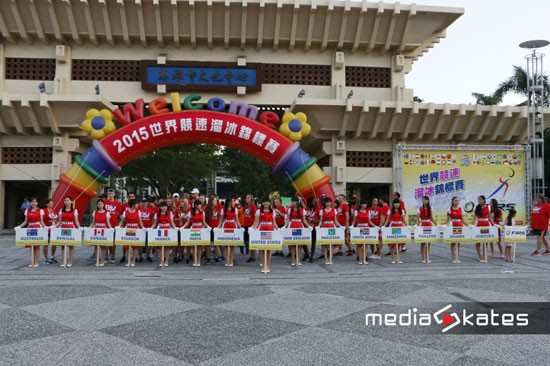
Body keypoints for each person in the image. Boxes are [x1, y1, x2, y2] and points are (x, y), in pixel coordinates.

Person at [15, 197, 45, 267]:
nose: (33, 203)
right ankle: (32, 261)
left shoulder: (40, 210)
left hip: (37, 228)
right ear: (30, 203)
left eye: (35, 202)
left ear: (37, 203)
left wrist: (45, 227)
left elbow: (41, 221)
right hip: (30, 228)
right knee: (31, 246)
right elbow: (25, 221)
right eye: (32, 202)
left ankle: (36, 262)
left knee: (37, 246)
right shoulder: (27, 210)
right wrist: (19, 226)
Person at [253, 200, 278, 273]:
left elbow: (274, 222)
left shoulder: (272, 211)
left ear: (270, 203)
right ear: (262, 203)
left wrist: (278, 230)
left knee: (269, 249)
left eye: (267, 202)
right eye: (264, 202)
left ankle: (268, 266)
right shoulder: (258, 211)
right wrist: (252, 229)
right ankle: (263, 265)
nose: (266, 203)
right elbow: (256, 222)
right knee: (262, 249)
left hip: (270, 229)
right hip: (262, 229)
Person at [185, 200, 211, 266]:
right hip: (193, 229)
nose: (200, 206)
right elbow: (188, 222)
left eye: (200, 205)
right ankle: (194, 261)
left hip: (200, 229)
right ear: (196, 205)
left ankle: (198, 261)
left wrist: (208, 227)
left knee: (200, 246)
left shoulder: (202, 212)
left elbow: (204, 222)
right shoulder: (190, 212)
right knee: (193, 246)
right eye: (199, 205)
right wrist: (182, 227)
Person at [285, 199, 310, 266]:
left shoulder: (302, 210)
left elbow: (304, 220)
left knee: (300, 244)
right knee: (293, 244)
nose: (294, 203)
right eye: (293, 201)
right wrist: (285, 226)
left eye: (295, 201)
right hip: (292, 226)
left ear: (298, 202)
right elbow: (287, 219)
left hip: (299, 226)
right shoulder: (290, 210)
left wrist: (309, 227)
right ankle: (293, 259)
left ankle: (298, 260)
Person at [57, 196, 80, 268]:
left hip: (71, 228)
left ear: (71, 201)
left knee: (71, 245)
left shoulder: (74, 210)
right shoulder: (61, 210)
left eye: (68, 200)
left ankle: (70, 261)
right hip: (63, 228)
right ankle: (64, 261)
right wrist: (54, 227)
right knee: (63, 245)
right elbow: (59, 221)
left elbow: (76, 221)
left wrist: (79, 228)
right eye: (65, 200)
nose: (66, 202)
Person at [317, 197, 342, 265]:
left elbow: (335, 220)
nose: (328, 203)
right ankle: (326, 259)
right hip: (324, 227)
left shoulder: (334, 210)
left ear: (331, 203)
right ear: (324, 203)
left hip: (331, 227)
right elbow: (321, 221)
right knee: (325, 244)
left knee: (331, 244)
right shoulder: (322, 211)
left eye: (329, 202)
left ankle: (330, 258)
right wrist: (318, 226)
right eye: (326, 202)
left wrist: (340, 226)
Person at [119, 199, 143, 267]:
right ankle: (129, 260)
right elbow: (122, 221)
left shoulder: (138, 211)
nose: (137, 205)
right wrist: (119, 227)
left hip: (136, 229)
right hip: (128, 229)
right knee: (128, 246)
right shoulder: (126, 211)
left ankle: (133, 261)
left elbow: (140, 221)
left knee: (135, 246)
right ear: (133, 204)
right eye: (136, 204)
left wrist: (143, 228)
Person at [89, 199, 112, 267]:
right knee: (96, 246)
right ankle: (97, 260)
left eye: (101, 204)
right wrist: (89, 228)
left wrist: (111, 229)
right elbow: (93, 223)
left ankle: (102, 260)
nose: (100, 205)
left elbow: (108, 222)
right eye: (99, 204)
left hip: (103, 230)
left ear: (103, 205)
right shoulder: (95, 212)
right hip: (96, 230)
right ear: (97, 205)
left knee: (103, 246)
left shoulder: (107, 213)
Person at [384, 198, 407, 264]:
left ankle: (398, 259)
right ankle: (393, 258)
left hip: (400, 227)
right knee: (393, 243)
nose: (396, 204)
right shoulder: (390, 211)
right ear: (393, 204)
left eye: (398, 203)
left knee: (399, 243)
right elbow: (387, 219)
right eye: (395, 203)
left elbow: (403, 220)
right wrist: (384, 226)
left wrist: (407, 225)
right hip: (393, 227)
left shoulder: (401, 211)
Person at [154, 200, 176, 267]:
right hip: (160, 231)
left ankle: (166, 261)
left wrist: (176, 228)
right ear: (160, 207)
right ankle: (161, 261)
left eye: (165, 206)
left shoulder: (170, 213)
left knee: (167, 247)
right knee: (160, 247)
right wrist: (149, 228)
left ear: (167, 207)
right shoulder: (157, 214)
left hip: (168, 230)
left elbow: (172, 223)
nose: (164, 208)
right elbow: (154, 224)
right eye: (162, 206)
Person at [104, 188, 122, 264]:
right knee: (106, 241)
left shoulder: (117, 203)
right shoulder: (104, 202)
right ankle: (106, 256)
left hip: (114, 224)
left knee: (113, 242)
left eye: (112, 193)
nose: (110, 194)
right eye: (109, 193)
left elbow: (120, 215)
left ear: (114, 194)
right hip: (105, 225)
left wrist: (120, 224)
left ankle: (113, 255)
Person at [220, 198, 240, 267]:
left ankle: (231, 261)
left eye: (233, 202)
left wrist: (240, 227)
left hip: (233, 226)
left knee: (232, 245)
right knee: (225, 245)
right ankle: (226, 260)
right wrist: (218, 227)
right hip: (226, 226)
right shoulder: (223, 209)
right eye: (231, 202)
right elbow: (221, 220)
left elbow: (237, 219)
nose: (232, 203)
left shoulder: (235, 209)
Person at [474, 195, 492, 263]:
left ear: (484, 200)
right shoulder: (477, 207)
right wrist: (474, 225)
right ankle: (480, 256)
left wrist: (493, 224)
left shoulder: (489, 206)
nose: (479, 201)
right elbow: (475, 217)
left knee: (486, 240)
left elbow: (490, 217)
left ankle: (485, 255)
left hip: (486, 223)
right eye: (478, 200)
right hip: (479, 224)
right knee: (478, 241)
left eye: (481, 199)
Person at [139, 197, 158, 263]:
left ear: (148, 203)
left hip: (149, 228)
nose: (144, 203)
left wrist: (152, 227)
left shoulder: (151, 209)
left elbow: (154, 219)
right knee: (140, 243)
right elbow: (138, 219)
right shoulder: (139, 209)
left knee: (148, 243)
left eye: (146, 202)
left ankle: (148, 255)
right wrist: (142, 227)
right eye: (143, 202)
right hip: (141, 228)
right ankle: (140, 256)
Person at [418, 196, 435, 264]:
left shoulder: (430, 208)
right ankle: (423, 258)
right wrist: (417, 225)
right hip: (422, 225)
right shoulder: (420, 208)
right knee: (422, 241)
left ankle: (427, 257)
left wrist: (437, 225)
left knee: (429, 241)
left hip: (428, 225)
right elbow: (418, 218)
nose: (424, 201)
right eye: (423, 200)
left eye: (426, 200)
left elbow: (432, 218)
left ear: (428, 201)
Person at [206, 195, 223, 263]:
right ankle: (208, 257)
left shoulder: (219, 208)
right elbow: (205, 219)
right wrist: (207, 227)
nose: (216, 202)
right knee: (208, 243)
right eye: (214, 200)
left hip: (216, 228)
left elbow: (220, 219)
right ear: (211, 201)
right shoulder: (207, 209)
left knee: (216, 243)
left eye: (216, 200)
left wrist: (218, 227)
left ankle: (218, 256)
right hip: (209, 228)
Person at [447, 196, 464, 263]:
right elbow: (448, 220)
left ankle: (457, 256)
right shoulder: (449, 209)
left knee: (458, 241)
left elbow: (462, 219)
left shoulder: (460, 209)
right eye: (455, 200)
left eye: (457, 200)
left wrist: (467, 225)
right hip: (453, 226)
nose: (457, 202)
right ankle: (453, 257)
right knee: (453, 241)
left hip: (459, 225)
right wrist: (447, 226)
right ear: (452, 202)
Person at [42, 199, 58, 264]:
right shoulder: (43, 211)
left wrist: (55, 224)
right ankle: (46, 258)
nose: (51, 204)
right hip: (46, 229)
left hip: (53, 230)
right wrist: (45, 226)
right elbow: (41, 220)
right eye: (50, 203)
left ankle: (52, 256)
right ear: (47, 204)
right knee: (46, 244)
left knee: (54, 243)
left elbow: (56, 219)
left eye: (52, 203)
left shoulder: (54, 211)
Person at [243, 194, 257, 262]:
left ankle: (252, 256)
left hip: (251, 226)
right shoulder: (245, 206)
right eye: (246, 198)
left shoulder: (253, 206)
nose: (246, 199)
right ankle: (250, 254)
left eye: (248, 198)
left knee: (251, 241)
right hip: (245, 225)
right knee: (247, 240)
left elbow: (256, 216)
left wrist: (254, 226)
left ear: (251, 199)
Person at [305, 197, 320, 262]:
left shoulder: (318, 210)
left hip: (314, 227)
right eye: (313, 201)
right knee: (303, 241)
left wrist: (314, 220)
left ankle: (311, 256)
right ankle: (306, 253)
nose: (314, 202)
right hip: (307, 227)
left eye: (315, 201)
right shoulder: (306, 209)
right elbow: (303, 217)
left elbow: (320, 220)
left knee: (313, 242)